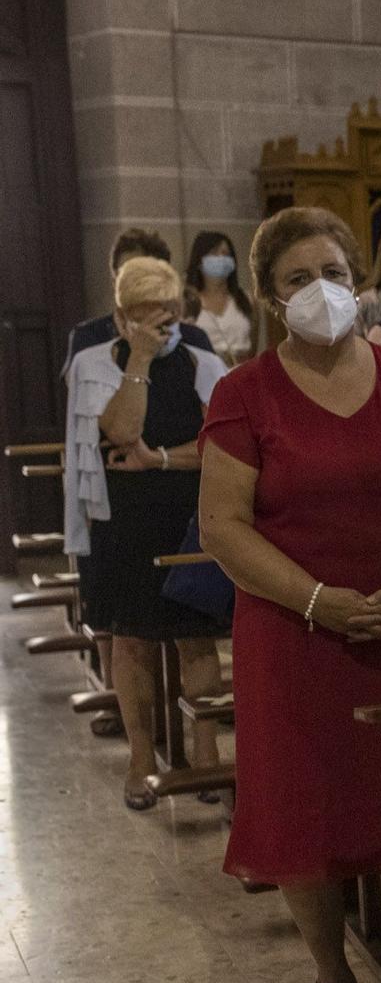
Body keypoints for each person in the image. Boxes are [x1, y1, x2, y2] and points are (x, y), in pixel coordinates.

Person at [197, 206, 381, 983]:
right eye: (300, 279)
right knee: (306, 804)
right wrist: (319, 601)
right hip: (295, 632)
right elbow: (224, 526)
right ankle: (331, 971)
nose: (322, 293)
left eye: (335, 274)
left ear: (359, 282)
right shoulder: (244, 393)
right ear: (270, 297)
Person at [68, 257, 229, 807]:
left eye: (165, 315)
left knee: (195, 636)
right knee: (131, 638)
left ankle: (206, 756)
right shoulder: (96, 364)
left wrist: (159, 459)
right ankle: (141, 755)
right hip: (122, 521)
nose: (158, 326)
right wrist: (137, 359)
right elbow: (120, 429)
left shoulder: (203, 362)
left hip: (185, 511)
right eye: (143, 318)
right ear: (120, 318)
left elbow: (220, 445)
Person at [65, 229, 216, 374]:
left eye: (145, 276)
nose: (134, 284)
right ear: (114, 280)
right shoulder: (89, 336)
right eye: (127, 275)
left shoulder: (192, 338)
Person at [184, 231, 256, 365]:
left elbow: (253, 347)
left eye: (226, 254)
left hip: (240, 372)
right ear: (199, 260)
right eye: (214, 253)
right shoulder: (188, 302)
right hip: (202, 374)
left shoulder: (246, 300)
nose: (221, 258)